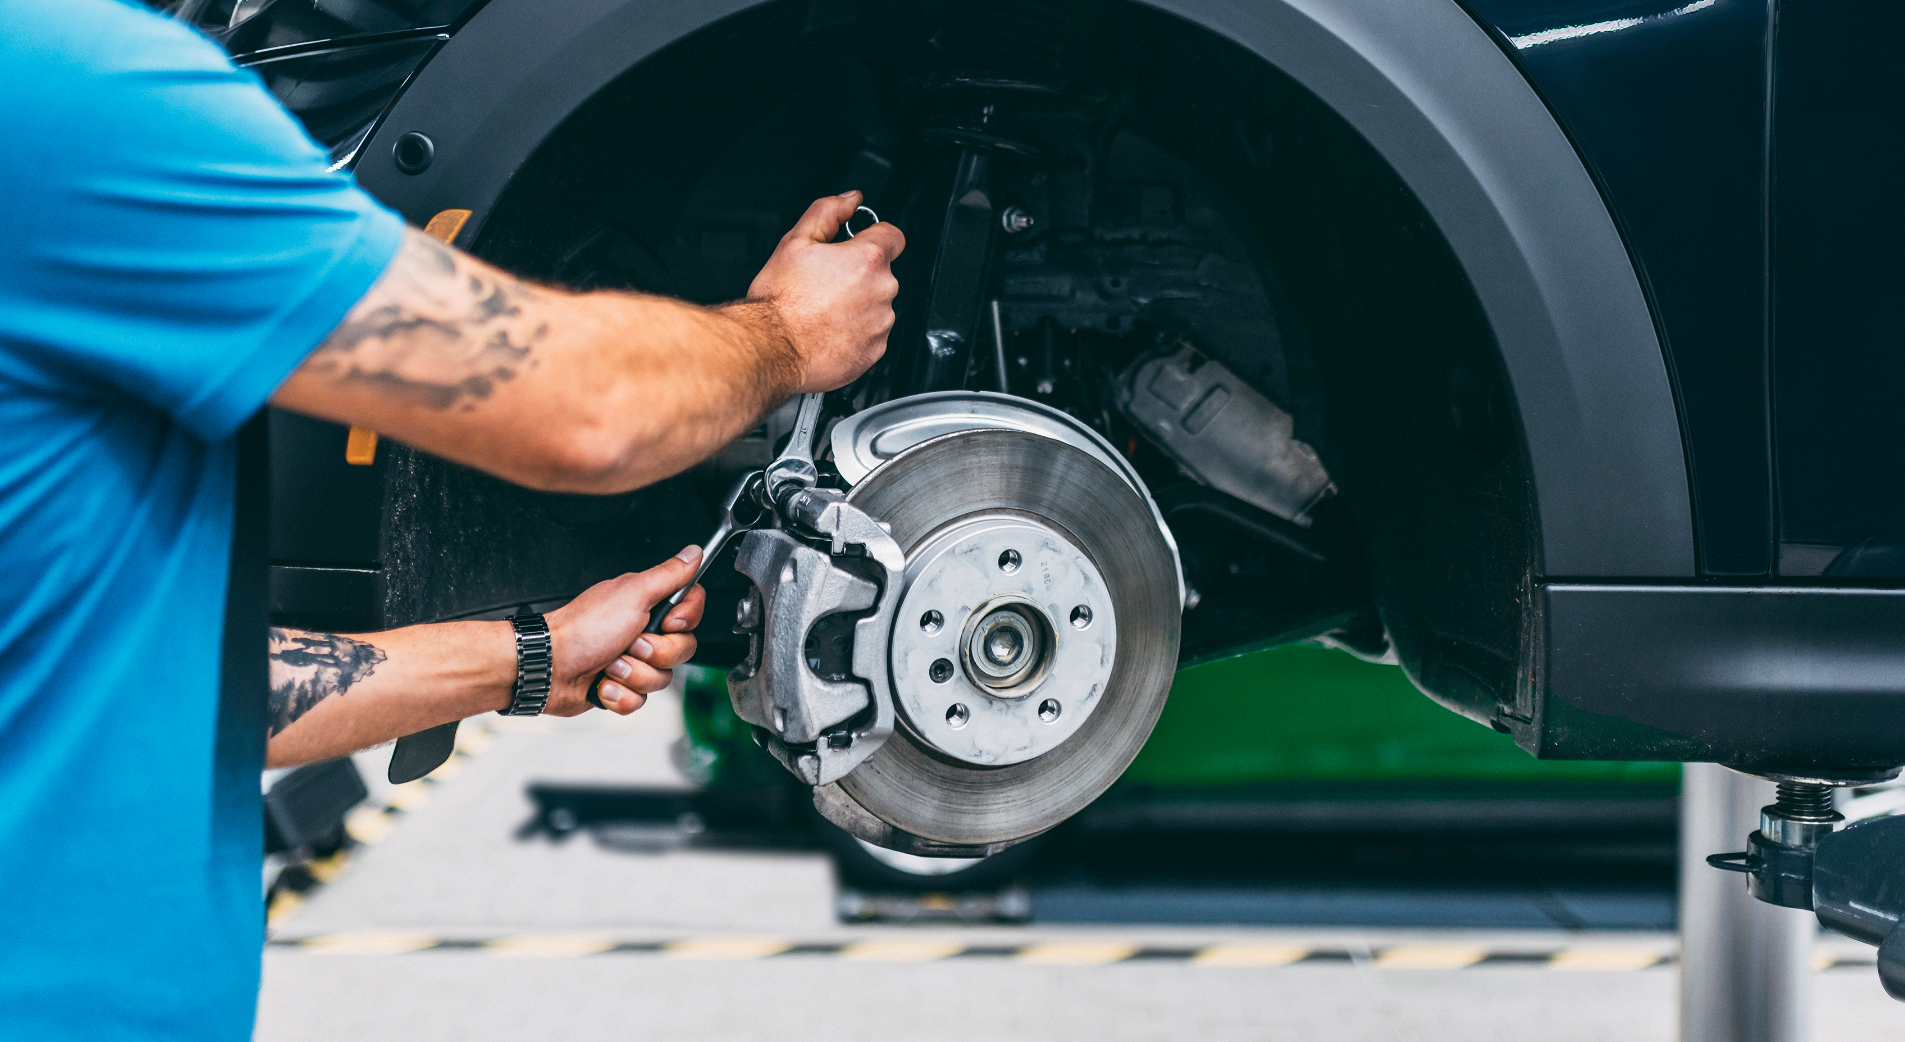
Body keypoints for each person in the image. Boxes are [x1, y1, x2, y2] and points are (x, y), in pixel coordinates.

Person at [0, 0, 905, 1038]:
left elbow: (135, 679)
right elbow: (582, 408)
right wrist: (788, 336)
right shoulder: (64, 100)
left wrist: (532, 655)